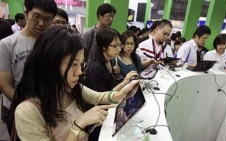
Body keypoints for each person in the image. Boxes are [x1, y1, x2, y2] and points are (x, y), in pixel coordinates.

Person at [7, 26, 139, 140]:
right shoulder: (28, 111)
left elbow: (99, 97)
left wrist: (121, 93)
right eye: (73, 64)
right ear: (50, 63)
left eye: (81, 64)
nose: (79, 72)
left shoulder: (71, 88)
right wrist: (78, 125)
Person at [0, 0, 57, 123]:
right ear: (26, 13)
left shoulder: (52, 44)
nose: (41, 23)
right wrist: (29, 108)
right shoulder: (7, 44)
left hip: (46, 108)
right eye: (36, 17)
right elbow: (5, 84)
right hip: (16, 107)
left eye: (47, 19)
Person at [84, 27, 137, 141]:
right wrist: (125, 82)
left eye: (120, 45)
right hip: (97, 119)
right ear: (104, 46)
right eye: (115, 45)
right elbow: (104, 97)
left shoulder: (109, 61)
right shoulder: (96, 68)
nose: (119, 48)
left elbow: (109, 91)